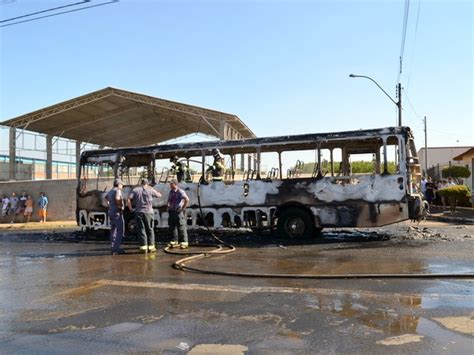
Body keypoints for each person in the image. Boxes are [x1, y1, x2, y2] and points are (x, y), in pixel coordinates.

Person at [128, 179, 162, 253]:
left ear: (141, 183)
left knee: (141, 229)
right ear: (147, 183)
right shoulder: (150, 190)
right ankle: (151, 247)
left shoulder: (135, 190)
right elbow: (159, 195)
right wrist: (153, 190)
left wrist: (131, 209)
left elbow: (129, 199)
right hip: (149, 212)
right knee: (150, 229)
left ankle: (143, 248)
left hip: (139, 212)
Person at [167, 178, 190, 249]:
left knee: (181, 227)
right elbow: (169, 200)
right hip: (172, 211)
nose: (170, 185)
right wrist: (168, 206)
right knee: (172, 227)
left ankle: (184, 242)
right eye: (170, 184)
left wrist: (183, 208)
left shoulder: (180, 192)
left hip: (178, 211)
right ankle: (174, 241)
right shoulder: (171, 192)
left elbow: (187, 199)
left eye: (171, 184)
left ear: (175, 184)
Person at [106, 179, 126, 255]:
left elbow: (106, 198)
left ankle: (113, 246)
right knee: (120, 230)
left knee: (113, 229)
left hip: (111, 212)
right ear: (118, 185)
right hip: (117, 212)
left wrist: (110, 205)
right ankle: (116, 248)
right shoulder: (117, 191)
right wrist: (120, 206)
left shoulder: (110, 191)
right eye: (121, 184)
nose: (122, 186)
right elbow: (117, 198)